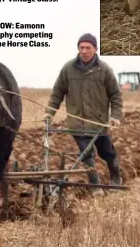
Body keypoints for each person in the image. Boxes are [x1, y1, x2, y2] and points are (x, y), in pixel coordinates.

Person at [43, 33, 123, 196]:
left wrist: (115, 115)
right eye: (82, 48)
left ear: (95, 49)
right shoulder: (68, 69)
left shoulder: (104, 70)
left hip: (99, 123)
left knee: (107, 152)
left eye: (88, 48)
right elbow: (57, 93)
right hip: (77, 122)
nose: (84, 51)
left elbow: (116, 95)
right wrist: (49, 113)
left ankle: (116, 178)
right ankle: (96, 187)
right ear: (78, 49)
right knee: (86, 154)